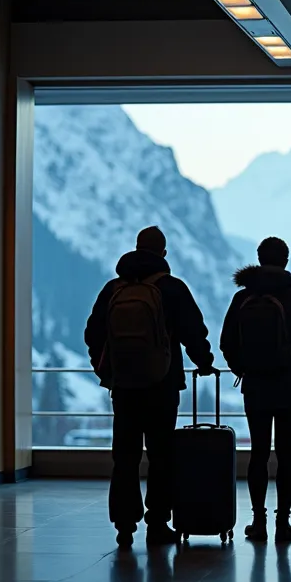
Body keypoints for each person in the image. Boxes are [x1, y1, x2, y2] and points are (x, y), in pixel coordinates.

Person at [85, 226, 218, 547]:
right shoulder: (171, 288)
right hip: (163, 384)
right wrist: (204, 362)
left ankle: (124, 524)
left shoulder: (113, 288)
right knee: (161, 454)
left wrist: (107, 370)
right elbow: (193, 331)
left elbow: (93, 333)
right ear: (163, 253)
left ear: (136, 248)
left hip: (124, 386)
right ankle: (157, 522)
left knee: (125, 455)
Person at [221, 237, 291, 543]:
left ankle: (258, 521)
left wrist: (244, 369)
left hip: (255, 385)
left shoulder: (243, 298)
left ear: (259, 259)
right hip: (289, 383)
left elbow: (227, 343)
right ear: (286, 260)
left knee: (259, 452)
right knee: (286, 452)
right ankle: (283, 522)